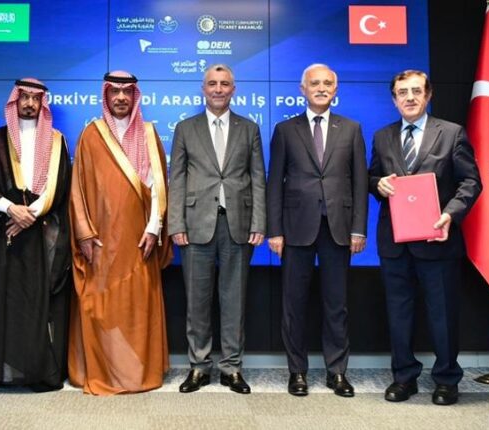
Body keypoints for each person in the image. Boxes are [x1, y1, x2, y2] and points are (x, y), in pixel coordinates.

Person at [369, 70, 481, 406]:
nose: (410, 97)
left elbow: (471, 182)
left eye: (417, 91)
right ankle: (404, 378)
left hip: (438, 240)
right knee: (398, 314)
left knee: (443, 315)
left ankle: (446, 379)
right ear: (394, 99)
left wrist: (450, 214)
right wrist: (377, 185)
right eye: (402, 92)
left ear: (428, 95)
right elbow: (373, 177)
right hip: (395, 242)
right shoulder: (382, 136)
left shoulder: (452, 133)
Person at [266, 63, 368, 397]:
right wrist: (274, 230)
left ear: (335, 89)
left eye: (327, 83)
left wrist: (358, 229)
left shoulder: (351, 129)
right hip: (296, 228)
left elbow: (359, 181)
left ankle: (337, 372)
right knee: (293, 303)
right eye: (315, 83)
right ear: (303, 89)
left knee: (336, 303)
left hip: (338, 228)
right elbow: (274, 182)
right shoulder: (285, 130)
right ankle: (297, 371)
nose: (321, 88)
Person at [68, 71, 172, 395]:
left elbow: (158, 188)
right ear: (106, 95)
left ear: (135, 96)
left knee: (137, 307)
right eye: (115, 92)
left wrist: (154, 228)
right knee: (103, 304)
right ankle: (104, 370)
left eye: (127, 92)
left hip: (139, 239)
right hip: (100, 240)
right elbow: (77, 189)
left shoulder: (149, 134)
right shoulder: (91, 135)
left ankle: (138, 372)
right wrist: (84, 233)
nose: (121, 98)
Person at [168, 64, 266, 394]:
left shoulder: (249, 128)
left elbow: (258, 179)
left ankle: (231, 368)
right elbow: (176, 179)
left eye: (225, 84)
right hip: (195, 225)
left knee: (234, 300)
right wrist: (176, 223)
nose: (219, 89)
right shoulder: (186, 128)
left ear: (233, 89)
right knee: (196, 301)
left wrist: (259, 222)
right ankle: (199, 366)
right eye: (212, 83)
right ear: (203, 88)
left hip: (238, 224)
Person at [0, 78, 72, 393]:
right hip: (4, 233)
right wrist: (10, 209)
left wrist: (30, 215)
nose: (29, 104)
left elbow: (61, 185)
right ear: (14, 101)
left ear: (43, 103)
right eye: (24, 97)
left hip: (41, 235)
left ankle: (36, 372)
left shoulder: (57, 141)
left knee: (36, 302)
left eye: (35, 98)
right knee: (3, 300)